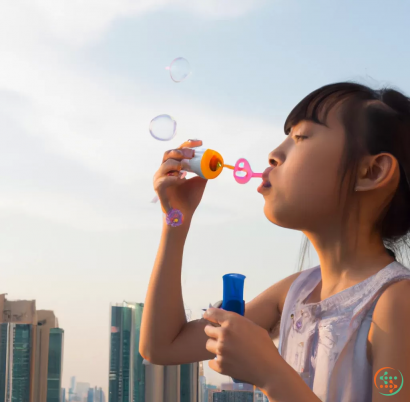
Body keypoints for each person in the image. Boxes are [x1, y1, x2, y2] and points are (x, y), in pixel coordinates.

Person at [139, 82, 410, 401]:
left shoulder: (396, 303)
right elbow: (162, 345)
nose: (273, 154)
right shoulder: (296, 293)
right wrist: (176, 219)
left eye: (301, 137)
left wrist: (269, 372)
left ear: (371, 171)